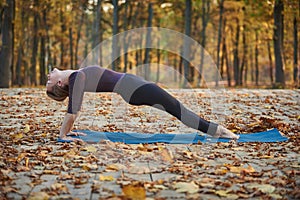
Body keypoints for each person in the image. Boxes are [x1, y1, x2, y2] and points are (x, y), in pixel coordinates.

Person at [46, 65, 239, 142]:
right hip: (134, 89)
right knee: (179, 109)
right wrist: (63, 135)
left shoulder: (76, 77)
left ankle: (218, 130)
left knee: (177, 109)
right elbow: (73, 110)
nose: (49, 75)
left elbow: (73, 109)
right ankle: (219, 131)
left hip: (134, 88)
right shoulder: (76, 78)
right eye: (49, 80)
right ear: (60, 83)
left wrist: (67, 132)